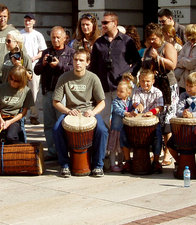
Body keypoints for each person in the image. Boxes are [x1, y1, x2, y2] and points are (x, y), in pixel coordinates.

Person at [52, 49, 108, 177]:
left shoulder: (93, 78)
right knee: (56, 129)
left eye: (81, 60)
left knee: (102, 130)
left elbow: (102, 102)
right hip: (70, 112)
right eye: (76, 60)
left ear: (87, 62)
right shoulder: (64, 78)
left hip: (89, 112)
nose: (78, 63)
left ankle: (98, 165)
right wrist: (68, 111)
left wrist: (93, 112)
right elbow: (56, 102)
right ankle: (64, 164)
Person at [90, 12, 141, 128]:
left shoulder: (127, 41)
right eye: (102, 23)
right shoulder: (98, 43)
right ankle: (106, 145)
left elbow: (138, 61)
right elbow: (93, 66)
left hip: (121, 87)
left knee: (121, 120)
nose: (103, 25)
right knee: (103, 120)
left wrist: (130, 74)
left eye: (105, 22)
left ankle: (120, 145)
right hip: (103, 87)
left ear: (115, 23)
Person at [34, 26, 75, 161]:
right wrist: (44, 63)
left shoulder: (71, 53)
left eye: (58, 37)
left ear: (64, 38)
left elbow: (73, 70)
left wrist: (58, 66)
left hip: (63, 93)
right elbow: (36, 70)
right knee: (49, 123)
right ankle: (52, 151)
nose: (55, 40)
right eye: (53, 37)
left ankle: (64, 151)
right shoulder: (46, 52)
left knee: (62, 123)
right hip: (48, 91)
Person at [142, 23, 178, 166]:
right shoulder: (147, 50)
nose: (152, 41)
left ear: (160, 36)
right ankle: (157, 152)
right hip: (153, 88)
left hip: (168, 87)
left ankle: (168, 153)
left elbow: (172, 65)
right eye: (149, 39)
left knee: (167, 121)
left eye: (154, 38)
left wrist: (158, 57)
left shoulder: (167, 46)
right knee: (156, 119)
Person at [128, 69, 164, 173]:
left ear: (153, 81)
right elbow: (135, 102)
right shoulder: (137, 91)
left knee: (157, 135)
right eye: (143, 81)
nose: (145, 83)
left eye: (148, 81)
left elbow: (160, 107)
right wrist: (137, 105)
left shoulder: (157, 92)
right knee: (124, 134)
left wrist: (152, 112)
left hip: (153, 121)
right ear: (139, 80)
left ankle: (156, 161)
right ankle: (128, 161)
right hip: (138, 122)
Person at [20, 13, 47, 125]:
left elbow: (42, 51)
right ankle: (21, 115)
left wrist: (33, 58)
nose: (28, 22)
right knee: (20, 90)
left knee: (34, 91)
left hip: (34, 66)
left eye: (30, 20)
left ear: (34, 22)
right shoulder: (20, 34)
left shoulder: (38, 35)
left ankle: (34, 116)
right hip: (21, 66)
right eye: (26, 20)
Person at [167, 72, 196, 166]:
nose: (187, 88)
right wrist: (183, 113)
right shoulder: (184, 96)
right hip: (184, 131)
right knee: (170, 145)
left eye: (191, 86)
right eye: (187, 85)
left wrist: (193, 115)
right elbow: (178, 111)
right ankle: (180, 162)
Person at [107, 73, 135, 172]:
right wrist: (126, 113)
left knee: (122, 148)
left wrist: (134, 110)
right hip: (116, 129)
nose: (118, 93)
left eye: (121, 91)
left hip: (123, 129)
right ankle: (112, 164)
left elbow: (133, 108)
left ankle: (121, 163)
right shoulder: (116, 101)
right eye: (118, 91)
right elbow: (117, 110)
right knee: (113, 148)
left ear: (128, 93)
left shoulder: (130, 101)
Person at [175, 24, 196, 94]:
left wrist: (183, 60)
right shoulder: (187, 45)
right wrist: (185, 61)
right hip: (184, 81)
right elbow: (178, 59)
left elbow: (191, 63)